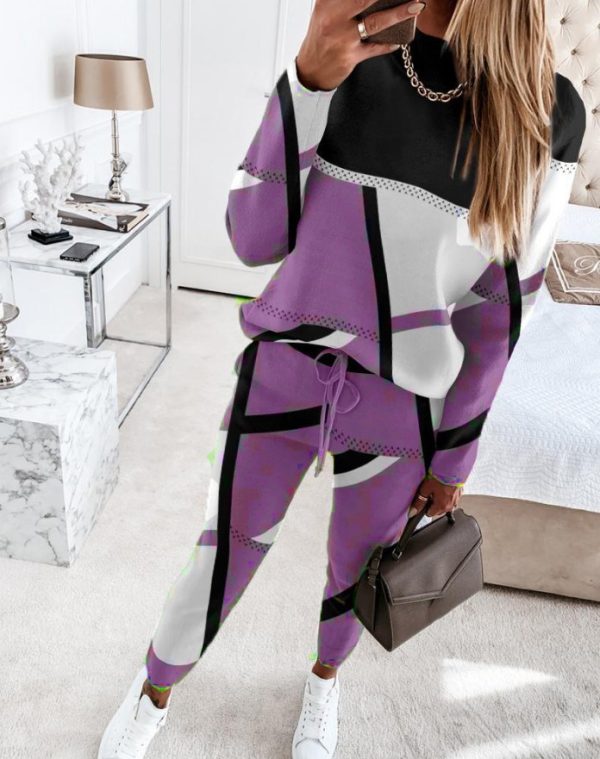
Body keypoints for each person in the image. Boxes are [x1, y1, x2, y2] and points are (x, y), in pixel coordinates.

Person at [98, 0, 586, 756]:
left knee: (356, 570)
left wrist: (454, 460)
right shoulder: (350, 55)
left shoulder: (549, 111)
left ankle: (325, 682)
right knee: (222, 552)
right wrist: (307, 81)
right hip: (284, 371)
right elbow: (252, 237)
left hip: (406, 404)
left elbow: (497, 317)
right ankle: (155, 687)